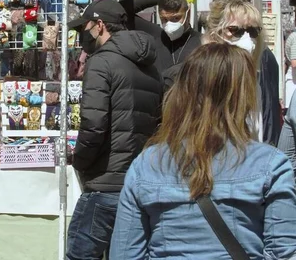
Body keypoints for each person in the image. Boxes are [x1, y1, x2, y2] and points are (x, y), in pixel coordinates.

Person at [110, 43, 296, 259]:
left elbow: (124, 254)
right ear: (243, 97)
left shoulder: (146, 165)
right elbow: (284, 254)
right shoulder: (271, 166)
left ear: (183, 93)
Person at [66, 0, 163, 260]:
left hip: (105, 184)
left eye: (84, 27)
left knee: (80, 255)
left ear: (99, 25)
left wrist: (80, 162)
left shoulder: (101, 63)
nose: (82, 36)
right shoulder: (151, 68)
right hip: (140, 181)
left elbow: (93, 126)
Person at [210, 0, 281, 145]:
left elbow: (267, 117)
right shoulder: (202, 75)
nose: (247, 38)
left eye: (253, 31)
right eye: (235, 30)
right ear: (215, 32)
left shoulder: (260, 64)